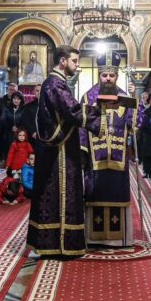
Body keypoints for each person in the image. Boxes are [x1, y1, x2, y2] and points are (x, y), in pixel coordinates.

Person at [27, 45, 102, 258]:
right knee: (61, 192)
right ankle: (60, 243)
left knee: (54, 193)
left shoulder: (55, 84)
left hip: (59, 148)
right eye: (75, 61)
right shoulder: (55, 84)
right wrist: (98, 111)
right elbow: (72, 111)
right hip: (58, 152)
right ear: (63, 61)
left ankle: (52, 242)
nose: (77, 66)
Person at [79, 64, 136, 246]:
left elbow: (134, 125)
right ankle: (93, 237)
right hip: (95, 159)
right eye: (105, 75)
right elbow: (82, 125)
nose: (108, 78)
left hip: (119, 159)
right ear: (99, 76)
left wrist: (135, 104)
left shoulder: (125, 97)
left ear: (117, 77)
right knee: (94, 193)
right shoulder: (88, 97)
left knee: (117, 193)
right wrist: (82, 150)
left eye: (112, 75)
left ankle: (119, 240)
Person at [0, 91, 24, 168]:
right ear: (12, 99)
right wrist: (11, 127)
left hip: (20, 135)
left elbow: (25, 120)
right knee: (9, 154)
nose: (16, 100)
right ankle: (9, 173)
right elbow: (3, 120)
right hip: (8, 135)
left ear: (21, 100)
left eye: (18, 99)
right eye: (14, 98)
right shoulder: (7, 108)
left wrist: (19, 128)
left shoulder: (24, 109)